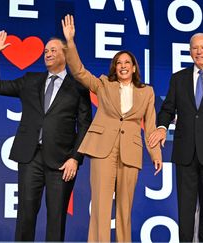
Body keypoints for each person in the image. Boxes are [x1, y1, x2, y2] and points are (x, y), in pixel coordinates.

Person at [61, 15, 162, 242]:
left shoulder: (147, 92)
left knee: (125, 208)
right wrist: (70, 42)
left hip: (131, 151)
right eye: (119, 63)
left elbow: (151, 123)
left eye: (127, 62)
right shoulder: (104, 83)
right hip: (102, 150)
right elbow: (79, 72)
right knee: (100, 205)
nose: (123, 66)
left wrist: (155, 153)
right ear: (114, 68)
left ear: (134, 67)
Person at [0, 31, 92, 241]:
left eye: (53, 50)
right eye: (45, 51)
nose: (48, 54)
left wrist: (75, 158)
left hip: (62, 162)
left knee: (56, 218)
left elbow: (85, 125)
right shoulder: (30, 80)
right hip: (30, 157)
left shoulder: (78, 87)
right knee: (25, 216)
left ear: (66, 54)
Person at [148, 33, 203, 241]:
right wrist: (162, 127)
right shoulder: (178, 78)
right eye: (195, 48)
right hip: (185, 153)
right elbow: (167, 109)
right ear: (190, 52)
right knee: (186, 212)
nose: (199, 51)